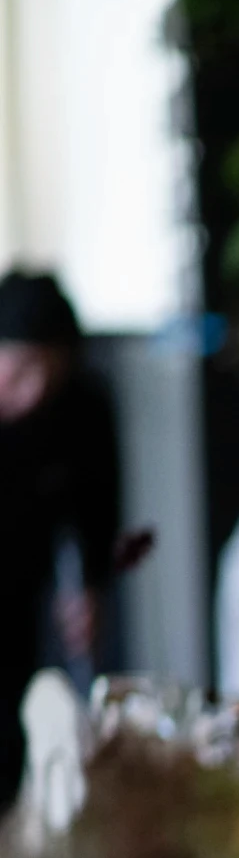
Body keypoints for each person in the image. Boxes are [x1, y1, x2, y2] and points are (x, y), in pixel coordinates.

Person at [0, 270, 121, 798]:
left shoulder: (79, 410)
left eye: (47, 378)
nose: (33, 394)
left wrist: (90, 586)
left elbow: (96, 506)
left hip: (22, 588)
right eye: (19, 371)